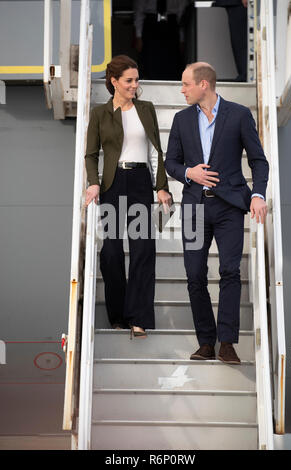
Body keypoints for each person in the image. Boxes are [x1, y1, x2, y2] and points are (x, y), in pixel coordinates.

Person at [165, 62, 268, 363]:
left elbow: (259, 161)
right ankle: (206, 342)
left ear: (203, 85)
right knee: (195, 274)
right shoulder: (181, 120)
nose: (182, 90)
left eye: (186, 84)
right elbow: (171, 162)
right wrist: (189, 173)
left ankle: (227, 342)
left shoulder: (239, 115)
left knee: (229, 272)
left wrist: (258, 194)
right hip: (195, 208)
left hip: (230, 207)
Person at [85, 55, 172, 339]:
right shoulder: (100, 113)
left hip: (139, 182)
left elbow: (156, 151)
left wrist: (161, 187)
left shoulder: (146, 109)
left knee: (143, 250)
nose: (135, 85)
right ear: (114, 82)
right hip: (112, 183)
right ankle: (118, 316)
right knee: (110, 252)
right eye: (129, 80)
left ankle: (139, 319)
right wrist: (93, 183)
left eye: (136, 79)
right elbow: (90, 154)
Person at [133, 0, 189, 80]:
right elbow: (139, 10)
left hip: (171, 24)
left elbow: (182, 14)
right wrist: (138, 36)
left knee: (172, 62)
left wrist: (182, 39)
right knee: (150, 60)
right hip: (151, 23)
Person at [214, 0, 248, 82]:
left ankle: (245, 74)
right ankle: (244, 73)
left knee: (241, 40)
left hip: (239, 3)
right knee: (239, 40)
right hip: (236, 3)